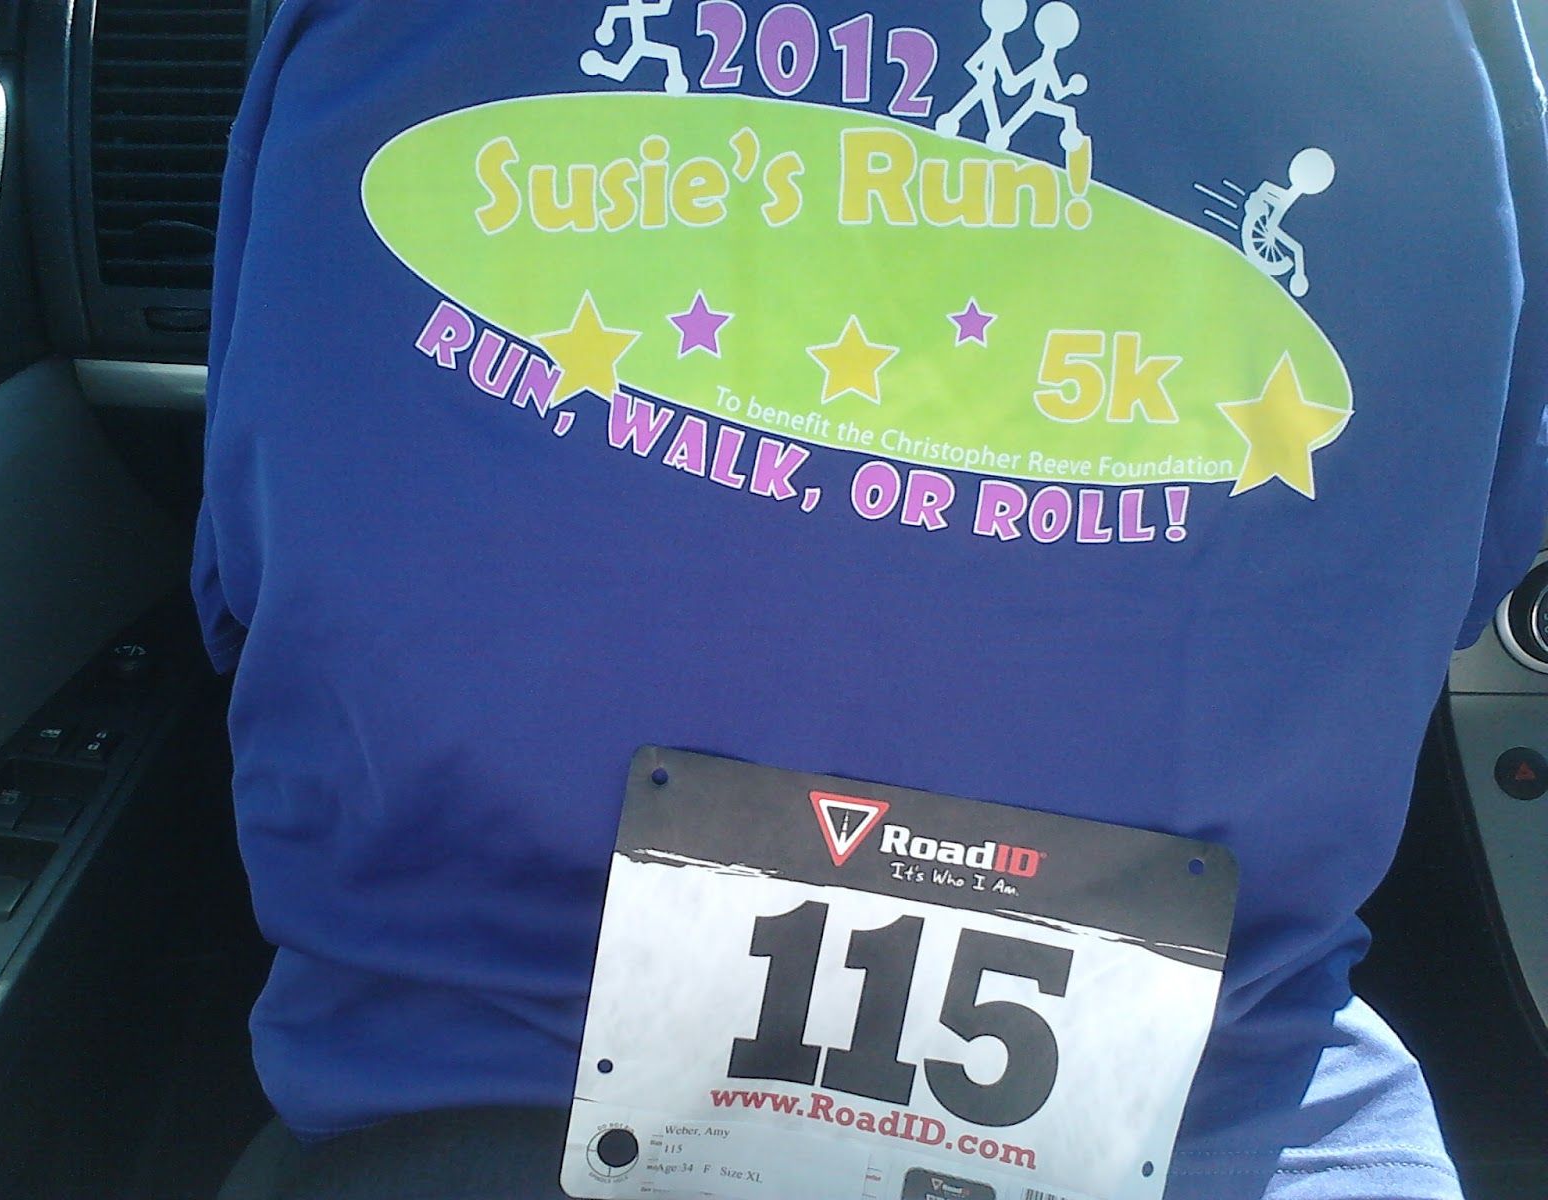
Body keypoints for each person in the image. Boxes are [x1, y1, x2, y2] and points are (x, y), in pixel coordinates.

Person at [199, 3, 1548, 1198]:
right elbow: (1450, 575)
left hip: (452, 1076)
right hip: (1217, 1100)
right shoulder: (1414, 40)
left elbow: (253, 570)